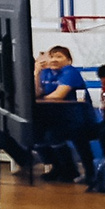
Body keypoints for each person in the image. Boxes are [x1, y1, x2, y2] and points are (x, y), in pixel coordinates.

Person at [34, 45, 95, 181]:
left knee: (54, 134)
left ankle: (72, 170)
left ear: (68, 61)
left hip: (78, 118)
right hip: (57, 118)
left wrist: (41, 98)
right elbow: (37, 92)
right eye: (52, 56)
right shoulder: (46, 72)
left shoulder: (70, 72)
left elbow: (58, 95)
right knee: (36, 133)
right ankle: (58, 167)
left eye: (59, 56)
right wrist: (36, 72)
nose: (54, 60)